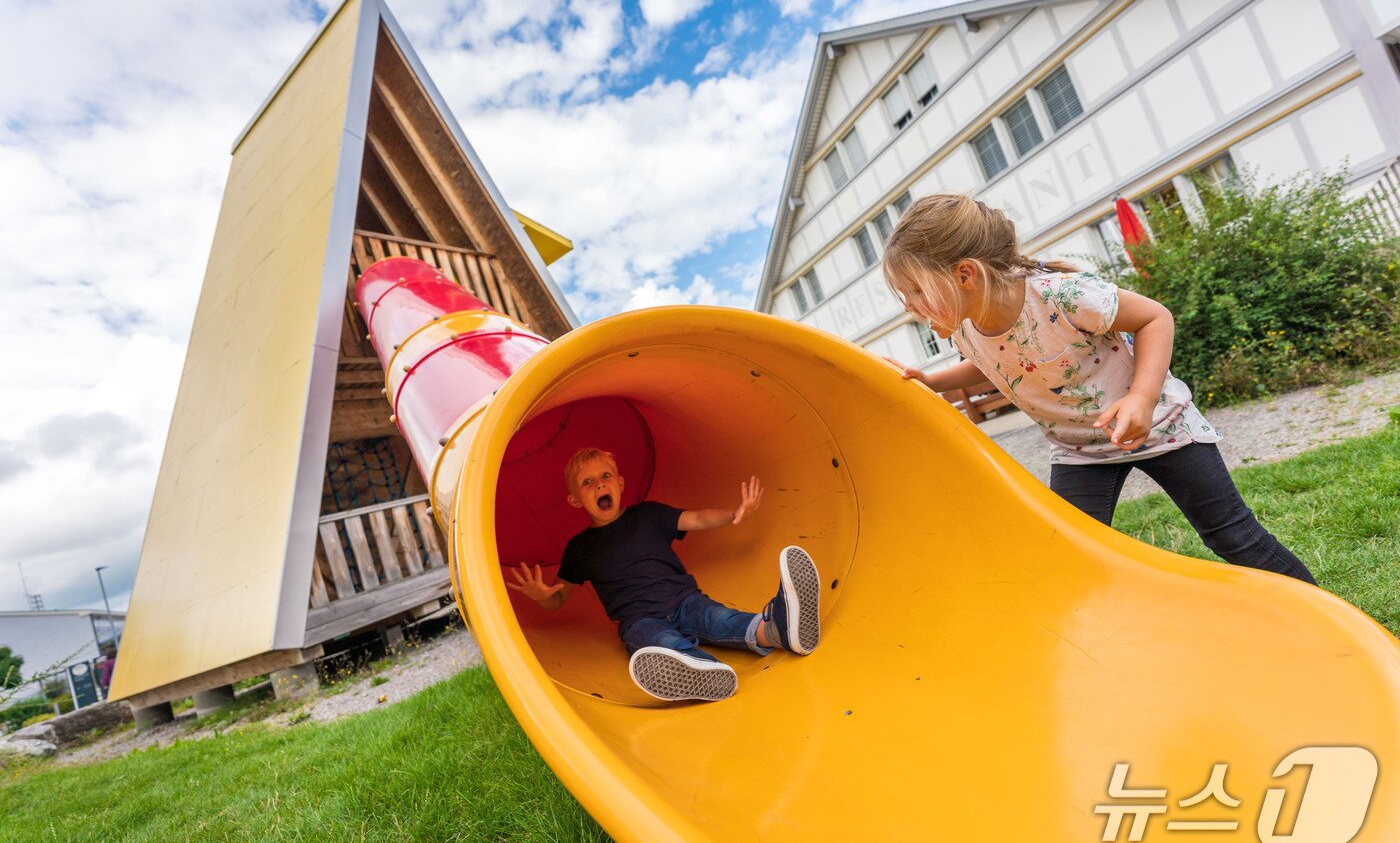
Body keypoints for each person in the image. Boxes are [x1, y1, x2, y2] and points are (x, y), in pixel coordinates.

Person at [880, 193, 1316, 585]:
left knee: (1231, 536)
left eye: (915, 290)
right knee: (1073, 558)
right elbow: (994, 362)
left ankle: (1330, 622)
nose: (909, 307)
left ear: (965, 275)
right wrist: (932, 381)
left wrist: (1141, 400)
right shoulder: (966, 327)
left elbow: (1155, 318)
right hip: (1079, 451)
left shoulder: (1062, 295)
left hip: (1161, 428)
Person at [508, 447, 822, 702]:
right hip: (639, 619)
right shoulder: (579, 548)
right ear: (575, 500)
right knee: (656, 642)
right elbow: (559, 597)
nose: (600, 485)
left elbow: (696, 519)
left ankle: (777, 629)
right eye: (587, 483)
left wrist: (734, 514)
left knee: (720, 619)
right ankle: (706, 672)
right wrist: (543, 596)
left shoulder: (648, 515)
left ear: (620, 484)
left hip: (685, 600)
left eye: (605, 476)